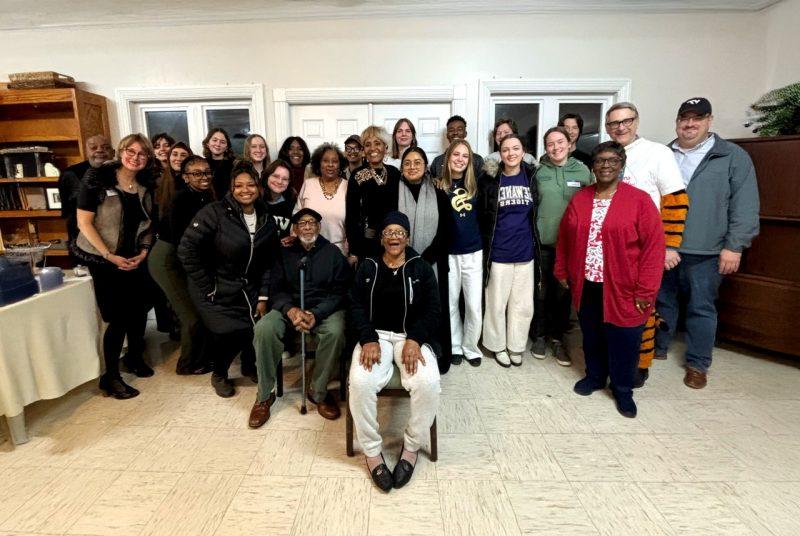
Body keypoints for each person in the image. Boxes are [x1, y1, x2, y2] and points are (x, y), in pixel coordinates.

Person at [554, 141, 665, 418]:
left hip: (625, 286)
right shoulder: (581, 199)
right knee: (591, 334)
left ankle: (623, 389)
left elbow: (654, 248)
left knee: (624, 339)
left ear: (621, 164)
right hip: (587, 282)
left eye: (612, 161)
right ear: (593, 166)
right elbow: (565, 237)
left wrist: (646, 290)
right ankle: (594, 377)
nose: (605, 166)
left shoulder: (639, 201)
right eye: (600, 161)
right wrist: (562, 270)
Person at [656, 98, 760, 389]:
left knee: (701, 307)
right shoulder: (663, 154)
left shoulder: (731, 156)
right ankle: (659, 348)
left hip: (707, 249)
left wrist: (735, 245)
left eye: (696, 119)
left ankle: (697, 364)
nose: (689, 124)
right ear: (677, 121)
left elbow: (745, 204)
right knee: (662, 300)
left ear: (708, 120)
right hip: (665, 245)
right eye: (684, 119)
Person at [349, 211, 441, 492]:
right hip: (374, 337)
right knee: (362, 382)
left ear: (408, 237)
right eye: (388, 232)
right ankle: (372, 452)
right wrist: (367, 338)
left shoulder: (420, 267)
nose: (394, 237)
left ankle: (411, 447)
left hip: (408, 338)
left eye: (399, 233)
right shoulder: (367, 266)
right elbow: (354, 305)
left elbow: (433, 309)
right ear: (381, 239)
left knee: (428, 382)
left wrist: (416, 338)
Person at [605, 102, 689, 387]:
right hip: (612, 248)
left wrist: (670, 246)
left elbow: (676, 200)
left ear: (636, 122)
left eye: (626, 121)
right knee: (613, 308)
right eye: (614, 123)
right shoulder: (607, 154)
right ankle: (612, 358)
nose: (620, 127)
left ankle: (640, 363)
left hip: (646, 248)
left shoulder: (657, 153)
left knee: (643, 307)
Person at [178, 162, 279, 397]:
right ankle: (219, 374)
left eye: (251, 184)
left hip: (244, 286)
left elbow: (268, 262)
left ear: (259, 187)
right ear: (231, 188)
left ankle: (248, 365)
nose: (245, 190)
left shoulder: (266, 218)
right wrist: (208, 285)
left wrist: (263, 295)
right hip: (213, 286)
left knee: (255, 325)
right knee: (230, 331)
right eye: (239, 185)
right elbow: (186, 250)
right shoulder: (215, 212)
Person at [250, 208, 351, 427]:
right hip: (289, 308)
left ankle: (319, 391)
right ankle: (264, 395)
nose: (307, 227)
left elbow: (340, 291)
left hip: (323, 310)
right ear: (294, 229)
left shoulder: (332, 253)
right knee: (264, 328)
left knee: (335, 331)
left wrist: (317, 313)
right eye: (302, 224)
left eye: (312, 223)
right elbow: (275, 288)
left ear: (318, 226)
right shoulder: (283, 252)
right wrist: (291, 310)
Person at [74, 134, 157, 399]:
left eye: (142, 154)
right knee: (118, 318)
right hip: (104, 260)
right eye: (131, 152)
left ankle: (134, 357)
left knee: (139, 310)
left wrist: (144, 252)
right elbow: (84, 223)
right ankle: (110, 377)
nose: (136, 158)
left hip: (133, 257)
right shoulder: (98, 180)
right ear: (121, 152)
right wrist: (108, 255)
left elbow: (147, 224)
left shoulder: (144, 185)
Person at [148, 155, 215, 375]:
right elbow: (181, 240)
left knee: (200, 311)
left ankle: (201, 357)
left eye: (206, 172)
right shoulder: (181, 199)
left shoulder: (206, 196)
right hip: (168, 259)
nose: (203, 177)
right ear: (186, 177)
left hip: (186, 259)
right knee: (190, 315)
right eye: (197, 173)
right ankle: (186, 364)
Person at [530, 127, 592, 366]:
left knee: (563, 296)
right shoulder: (539, 172)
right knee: (541, 294)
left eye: (560, 142)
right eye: (550, 144)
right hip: (544, 244)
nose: (555, 147)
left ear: (569, 143)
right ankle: (539, 336)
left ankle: (557, 340)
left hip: (572, 248)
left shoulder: (583, 171)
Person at [479, 134, 540, 367]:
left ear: (523, 152)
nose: (511, 153)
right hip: (499, 252)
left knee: (523, 305)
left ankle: (516, 345)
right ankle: (496, 345)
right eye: (506, 149)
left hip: (525, 252)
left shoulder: (531, 176)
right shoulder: (491, 179)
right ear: (500, 153)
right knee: (496, 303)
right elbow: (484, 216)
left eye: (516, 149)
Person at [399, 146, 451, 370]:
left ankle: (434, 349)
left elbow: (446, 228)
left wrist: (425, 258)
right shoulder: (394, 189)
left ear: (426, 165)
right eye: (408, 163)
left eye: (417, 162)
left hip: (433, 261)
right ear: (401, 168)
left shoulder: (439, 189)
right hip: (402, 260)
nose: (412, 167)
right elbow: (391, 226)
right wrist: (409, 257)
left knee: (433, 305)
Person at [438, 139, 483, 367]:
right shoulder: (438, 186)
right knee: (451, 303)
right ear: (448, 157)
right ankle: (455, 345)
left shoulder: (477, 185)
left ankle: (471, 347)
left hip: (473, 252)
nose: (460, 159)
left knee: (474, 304)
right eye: (456, 154)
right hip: (449, 253)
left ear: (470, 160)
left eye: (465, 156)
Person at [345, 126, 402, 262]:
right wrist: (354, 251)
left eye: (377, 143)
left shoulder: (394, 173)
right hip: (367, 242)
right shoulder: (357, 175)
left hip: (393, 239)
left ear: (385, 147)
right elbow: (351, 215)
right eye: (367, 144)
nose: (372, 149)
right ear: (363, 150)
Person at [58, 134, 114, 248]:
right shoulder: (71, 174)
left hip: (114, 235)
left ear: (113, 152)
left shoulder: (121, 172)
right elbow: (68, 211)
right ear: (86, 151)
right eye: (93, 148)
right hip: (83, 237)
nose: (99, 150)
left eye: (105, 147)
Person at [295, 143, 349, 256]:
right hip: (309, 250)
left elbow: (355, 223)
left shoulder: (348, 187)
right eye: (325, 161)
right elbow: (297, 215)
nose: (330, 165)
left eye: (335, 161)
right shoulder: (308, 184)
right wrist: (294, 237)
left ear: (340, 165)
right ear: (318, 163)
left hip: (339, 253)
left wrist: (353, 254)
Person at [262, 159, 295, 242]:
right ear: (267, 177)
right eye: (275, 176)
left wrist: (293, 238)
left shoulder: (293, 204)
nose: (280, 181)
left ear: (289, 182)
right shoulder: (255, 201)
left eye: (285, 179)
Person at [203, 128, 236, 196]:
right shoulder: (201, 164)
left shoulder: (235, 164)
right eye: (214, 140)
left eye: (222, 142)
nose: (218, 144)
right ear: (207, 143)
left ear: (227, 147)